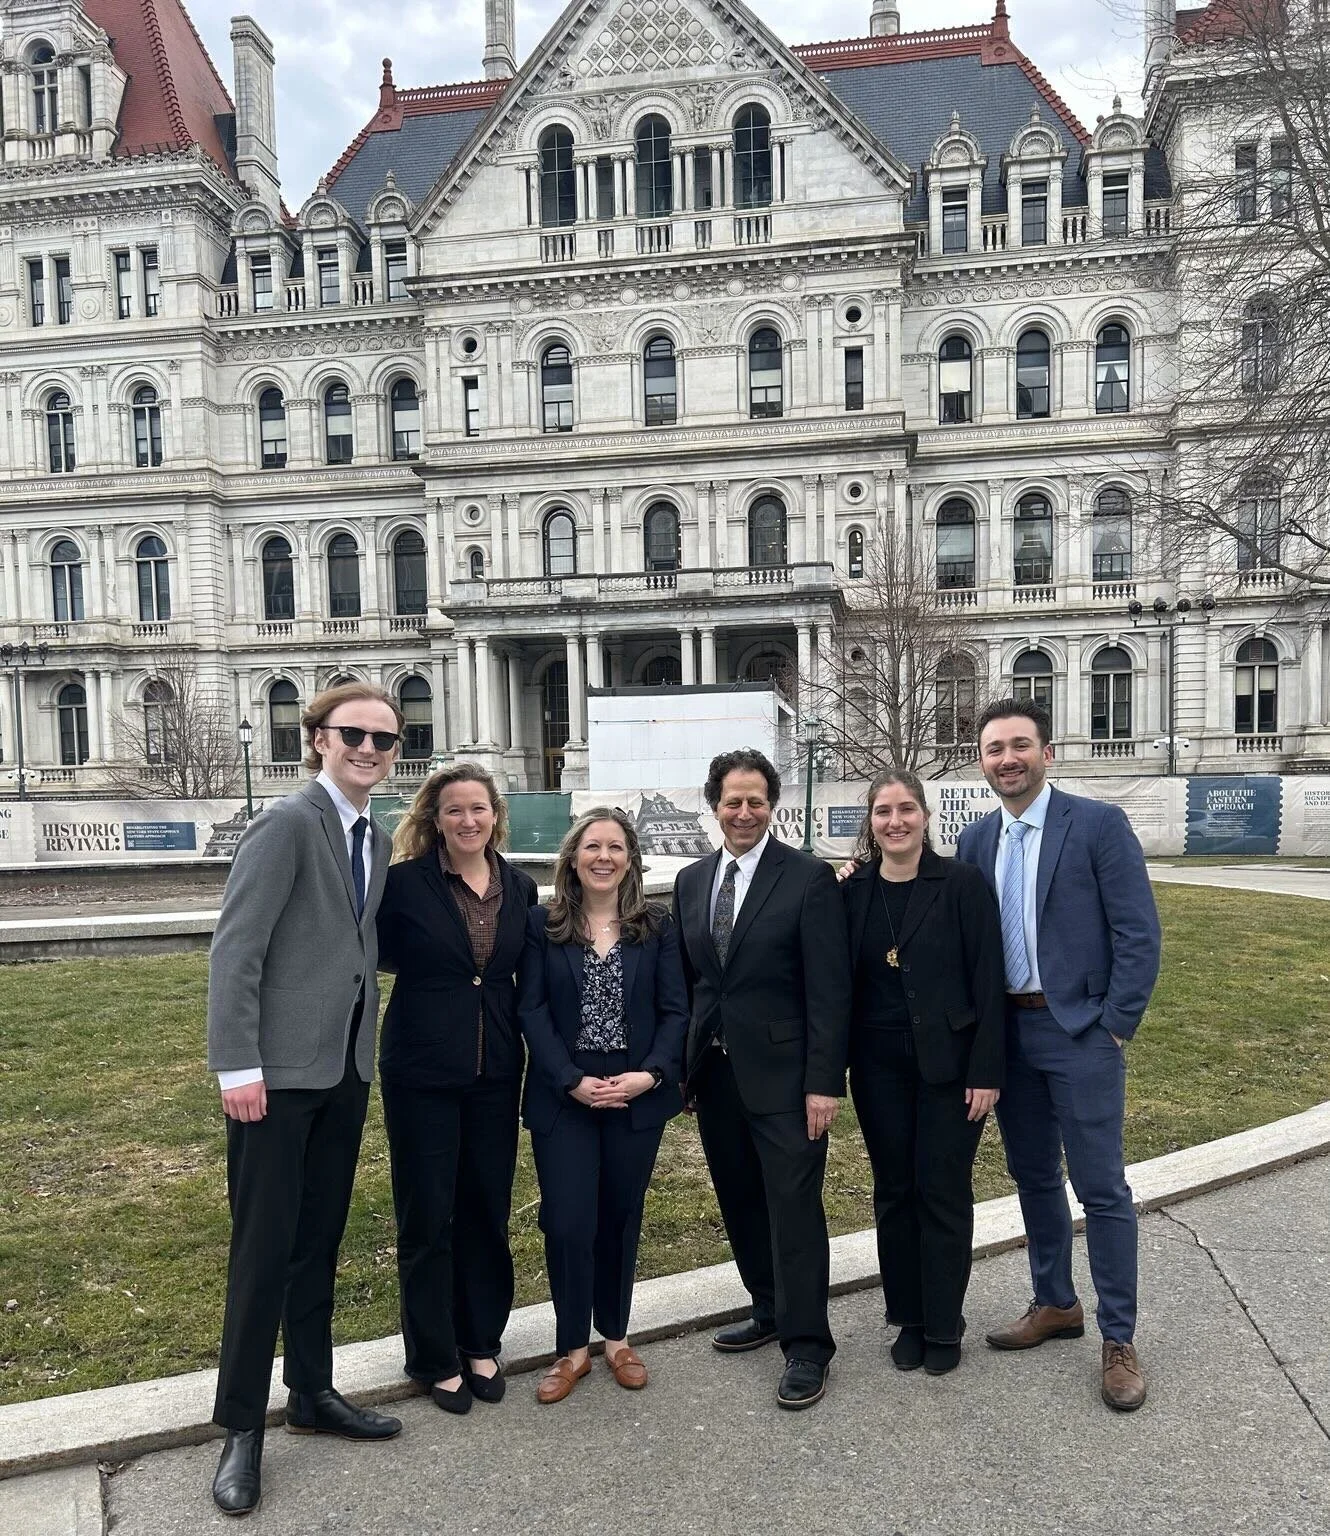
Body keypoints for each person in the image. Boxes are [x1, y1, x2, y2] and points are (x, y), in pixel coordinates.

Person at [207, 682, 406, 1517]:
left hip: (344, 1071)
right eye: (354, 734)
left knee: (317, 1239)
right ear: (318, 739)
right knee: (263, 1249)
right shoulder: (288, 823)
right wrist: (237, 1067)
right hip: (274, 1081)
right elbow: (236, 948)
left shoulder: (379, 837)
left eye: (386, 739)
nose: (369, 749)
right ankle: (241, 1428)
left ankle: (313, 1392)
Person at [957, 697, 1161, 1412]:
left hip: (1080, 1035)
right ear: (981, 761)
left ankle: (1119, 1338)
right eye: (993, 748)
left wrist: (1114, 1026)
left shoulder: (1097, 824)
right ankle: (1055, 1302)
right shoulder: (977, 840)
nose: (1006, 758)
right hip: (1009, 1037)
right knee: (1034, 1175)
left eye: (1019, 745)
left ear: (1047, 753)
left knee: (1101, 1188)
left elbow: (1139, 933)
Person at [673, 748, 851, 1410]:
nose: (743, 812)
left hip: (787, 1079)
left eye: (755, 801)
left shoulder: (806, 878)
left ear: (771, 806)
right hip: (716, 1078)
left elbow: (830, 991)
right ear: (713, 804)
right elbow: (694, 983)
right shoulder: (693, 881)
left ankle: (808, 1346)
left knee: (794, 1212)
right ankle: (769, 1308)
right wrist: (685, 1067)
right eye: (732, 801)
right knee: (741, 1202)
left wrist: (823, 1083)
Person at [376, 763, 540, 1415]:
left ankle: (480, 1340)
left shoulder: (520, 888)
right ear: (434, 820)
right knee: (427, 1215)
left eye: (479, 809)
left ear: (496, 815)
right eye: (454, 811)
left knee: (485, 1211)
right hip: (421, 1070)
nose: (468, 821)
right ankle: (432, 1354)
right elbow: (375, 953)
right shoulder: (402, 886)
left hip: (497, 1071)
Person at [517, 807, 688, 1404]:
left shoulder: (656, 927)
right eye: (592, 847)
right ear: (573, 857)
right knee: (568, 1221)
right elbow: (531, 1011)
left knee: (619, 1216)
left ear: (630, 860)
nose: (603, 858)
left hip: (635, 1093)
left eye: (616, 847)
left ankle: (615, 1338)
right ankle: (570, 1349)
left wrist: (650, 1075)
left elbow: (676, 1010)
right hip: (566, 1095)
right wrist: (568, 1079)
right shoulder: (544, 925)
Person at [840, 769, 1005, 1376]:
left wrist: (986, 1069)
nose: (896, 821)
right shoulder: (852, 890)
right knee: (895, 1192)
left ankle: (944, 1320)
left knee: (941, 1191)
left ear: (926, 816)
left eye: (906, 809)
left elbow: (989, 979)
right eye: (883, 812)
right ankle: (907, 1316)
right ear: (872, 823)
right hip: (878, 1067)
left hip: (951, 1066)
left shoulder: (961, 884)